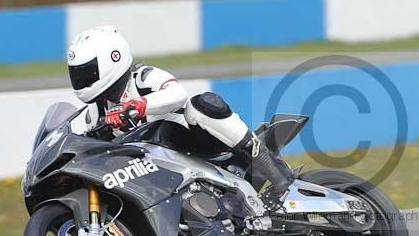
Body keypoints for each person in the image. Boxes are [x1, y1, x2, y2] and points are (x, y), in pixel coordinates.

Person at [66, 25, 293, 200]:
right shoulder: (94, 113)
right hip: (153, 174)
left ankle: (270, 167)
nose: (82, 80)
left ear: (113, 59)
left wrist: (138, 105)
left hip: (195, 145)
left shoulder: (142, 78)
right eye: (77, 74)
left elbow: (177, 94)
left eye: (87, 72)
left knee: (202, 104)